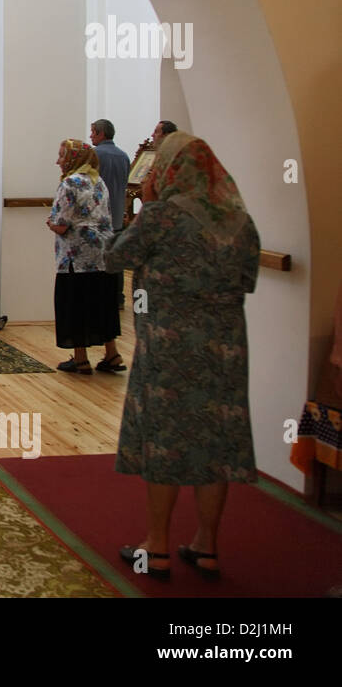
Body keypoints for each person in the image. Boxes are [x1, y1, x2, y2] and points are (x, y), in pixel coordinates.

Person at [105, 132, 260, 581]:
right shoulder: (239, 219)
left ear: (169, 170)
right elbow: (247, 280)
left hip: (169, 346)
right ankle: (207, 545)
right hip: (226, 347)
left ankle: (157, 546)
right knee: (215, 439)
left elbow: (117, 257)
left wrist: (147, 205)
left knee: (165, 439)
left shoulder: (163, 217)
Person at [46, 139, 122, 374]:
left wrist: (50, 223)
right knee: (101, 303)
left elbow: (61, 223)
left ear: (73, 158)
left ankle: (80, 358)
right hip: (102, 254)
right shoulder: (99, 182)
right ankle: (112, 353)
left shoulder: (70, 183)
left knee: (75, 304)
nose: (58, 161)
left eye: (62, 156)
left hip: (75, 256)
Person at [91, 118, 132, 312]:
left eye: (93, 132)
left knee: (100, 259)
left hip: (100, 217)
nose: (91, 136)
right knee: (117, 258)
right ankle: (119, 297)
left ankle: (102, 298)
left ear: (101, 133)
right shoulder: (123, 156)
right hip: (117, 214)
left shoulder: (95, 154)